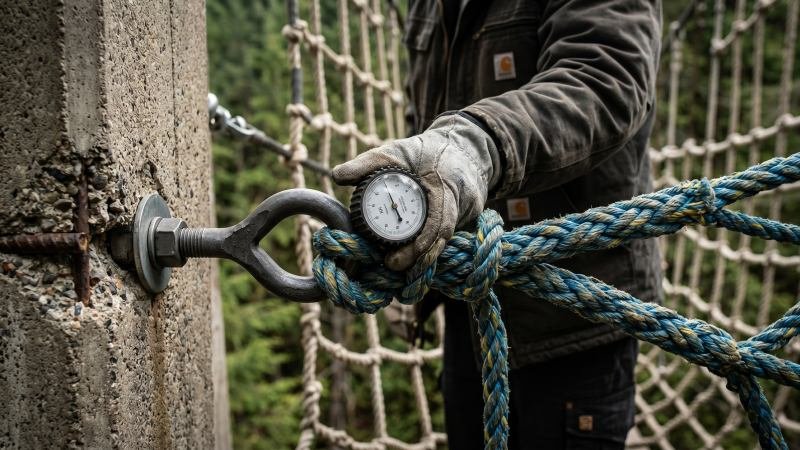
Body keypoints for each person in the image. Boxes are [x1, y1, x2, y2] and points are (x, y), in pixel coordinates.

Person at [333, 0, 663, 448]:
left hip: (572, 316)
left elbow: (606, 78)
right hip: (466, 300)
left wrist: (475, 146)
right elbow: (427, 109)